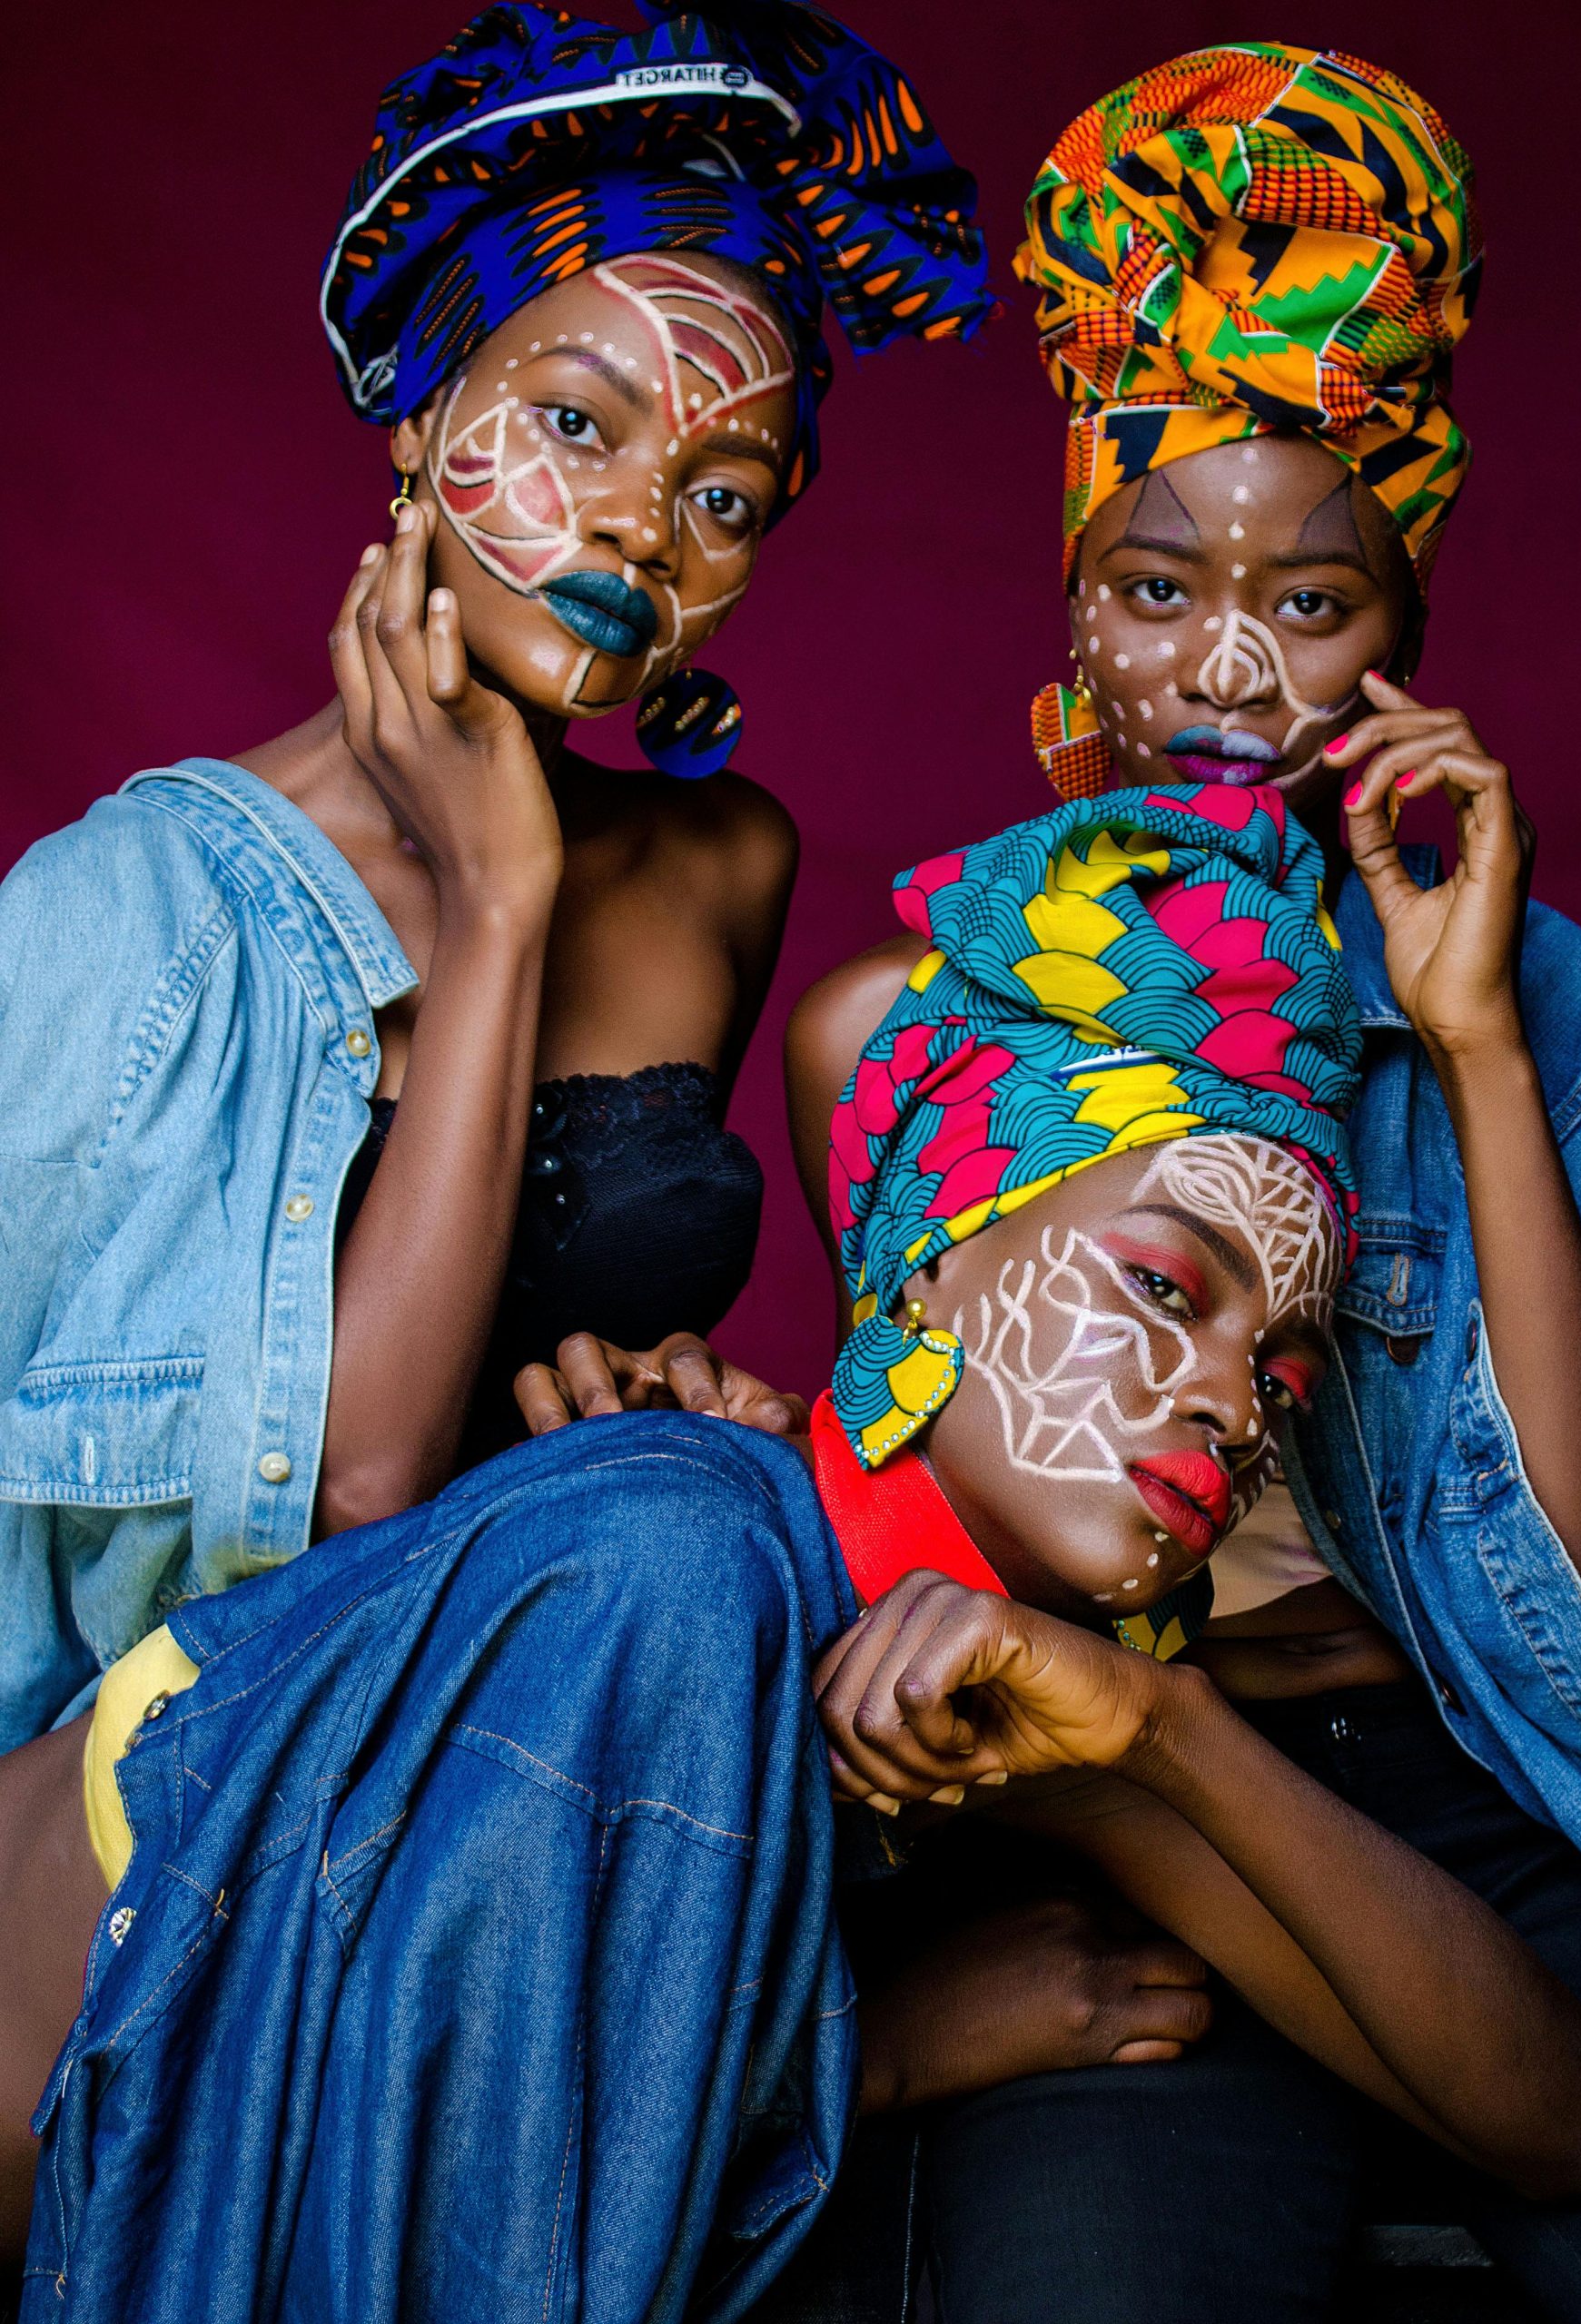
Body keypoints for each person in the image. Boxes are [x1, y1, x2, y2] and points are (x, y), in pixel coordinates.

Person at [3, 781, 1581, 2316]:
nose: (1229, 1400)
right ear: (932, 1259)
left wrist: (1169, 1733)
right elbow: (441, 2238)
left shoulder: (1019, 1688)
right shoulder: (676, 1570)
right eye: (1163, 1285)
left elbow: (1570, 2131)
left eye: (1283, 1369)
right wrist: (879, 2049)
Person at [776, 41, 1581, 2322]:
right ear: (1074, 596)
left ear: (1405, 637)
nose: (1227, 670)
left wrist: (1469, 1045)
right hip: (1128, 1811)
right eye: (1155, 584)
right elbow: (919, 1461)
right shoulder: (900, 1029)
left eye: (1314, 604)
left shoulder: (1560, 1026)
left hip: (1514, 1791)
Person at [0, 0, 989, 1753]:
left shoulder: (716, 865)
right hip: (221, 1795)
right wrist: (499, 901)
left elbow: (559, 1390)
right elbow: (355, 1502)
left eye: (726, 496)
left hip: (581, 1712)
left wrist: (665, 1409)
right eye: (579, 424)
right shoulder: (121, 917)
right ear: (422, 409)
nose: (641, 526)